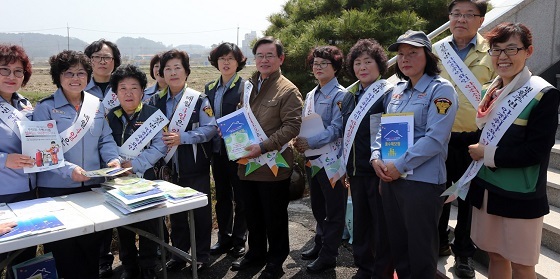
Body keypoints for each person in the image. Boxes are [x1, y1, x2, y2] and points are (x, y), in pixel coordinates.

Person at [465, 22, 559, 279]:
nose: (502, 57)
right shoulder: (490, 91)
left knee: (522, 264)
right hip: (486, 188)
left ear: (528, 51)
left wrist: (487, 154)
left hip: (521, 193)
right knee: (494, 254)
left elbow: (536, 151)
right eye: (496, 50)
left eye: (511, 49)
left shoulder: (543, 94)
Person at [371, 30, 458, 278]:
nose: (405, 58)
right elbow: (384, 131)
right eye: (400, 54)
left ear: (427, 56)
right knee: (399, 247)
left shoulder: (441, 91)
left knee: (420, 252)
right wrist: (376, 157)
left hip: (422, 182)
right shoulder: (396, 91)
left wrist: (399, 165)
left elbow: (434, 138)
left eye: (413, 53)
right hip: (391, 179)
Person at [33, 50, 121, 279]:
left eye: (81, 73)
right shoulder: (45, 108)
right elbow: (41, 152)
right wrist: (69, 171)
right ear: (57, 77)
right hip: (56, 190)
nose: (75, 78)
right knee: (64, 254)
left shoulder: (96, 105)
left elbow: (106, 139)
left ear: (88, 76)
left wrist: (113, 159)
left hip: (92, 188)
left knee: (91, 252)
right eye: (68, 73)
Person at [230, 36, 303, 279]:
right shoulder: (249, 85)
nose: (264, 60)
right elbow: (242, 118)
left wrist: (263, 146)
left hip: (273, 164)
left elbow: (292, 126)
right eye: (259, 55)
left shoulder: (288, 90)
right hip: (248, 164)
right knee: (252, 214)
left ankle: (276, 260)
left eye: (269, 55)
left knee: (275, 218)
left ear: (280, 58)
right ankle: (256, 253)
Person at [434, 1, 495, 277]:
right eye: (456, 14)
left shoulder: (492, 53)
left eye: (469, 14)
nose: (461, 19)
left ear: (481, 20)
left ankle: (464, 254)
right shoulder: (436, 51)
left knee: (468, 199)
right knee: (437, 193)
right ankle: (438, 242)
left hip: (473, 139)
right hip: (439, 137)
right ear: (449, 17)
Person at [147, 49, 217, 273]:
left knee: (200, 214)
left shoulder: (198, 99)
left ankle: (202, 256)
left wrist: (183, 138)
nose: (172, 72)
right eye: (167, 68)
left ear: (186, 71)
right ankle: (179, 253)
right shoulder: (154, 101)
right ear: (161, 74)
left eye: (177, 67)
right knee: (175, 215)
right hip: (167, 168)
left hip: (194, 165)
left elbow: (210, 129)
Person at [106, 64, 167, 279]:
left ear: (143, 90)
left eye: (134, 87)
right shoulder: (109, 117)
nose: (128, 93)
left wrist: (136, 164)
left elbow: (160, 146)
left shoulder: (153, 115)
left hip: (146, 178)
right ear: (116, 93)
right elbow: (104, 144)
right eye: (123, 88)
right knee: (124, 226)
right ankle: (129, 266)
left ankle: (149, 266)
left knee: (149, 224)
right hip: (117, 180)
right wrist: (115, 165)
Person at [340, 39, 394, 279]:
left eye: (368, 62)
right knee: (361, 224)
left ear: (379, 64)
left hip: (377, 171)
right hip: (355, 171)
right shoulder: (351, 97)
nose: (362, 67)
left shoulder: (389, 94)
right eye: (358, 62)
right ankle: (363, 267)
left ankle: (381, 272)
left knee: (381, 226)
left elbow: (392, 133)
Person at [293, 45, 347, 274]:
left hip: (332, 160)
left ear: (335, 67)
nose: (318, 67)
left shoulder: (340, 95)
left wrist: (310, 142)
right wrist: (299, 139)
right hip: (312, 160)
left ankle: (329, 255)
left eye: (324, 63)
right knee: (317, 206)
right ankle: (319, 243)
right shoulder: (311, 94)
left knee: (334, 208)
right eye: (315, 63)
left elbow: (337, 128)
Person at [205, 42, 248, 258]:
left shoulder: (245, 87)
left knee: (241, 196)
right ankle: (224, 237)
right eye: (222, 58)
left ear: (238, 61)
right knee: (221, 196)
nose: (226, 62)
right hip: (216, 150)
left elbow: (250, 117)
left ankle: (239, 239)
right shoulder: (209, 88)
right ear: (216, 62)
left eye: (230, 58)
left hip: (238, 150)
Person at [84, 38, 122, 277]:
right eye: (97, 57)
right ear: (89, 60)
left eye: (106, 57)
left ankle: (105, 259)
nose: (102, 61)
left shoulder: (122, 86)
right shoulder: (78, 86)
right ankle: (88, 259)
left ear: (114, 61)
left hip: (117, 156)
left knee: (108, 210)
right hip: (85, 159)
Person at [0, 44, 36, 279]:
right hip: (2, 197)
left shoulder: (24, 105)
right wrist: (4, 160)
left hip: (30, 194)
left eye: (18, 71)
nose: (11, 76)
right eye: (4, 70)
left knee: (25, 259)